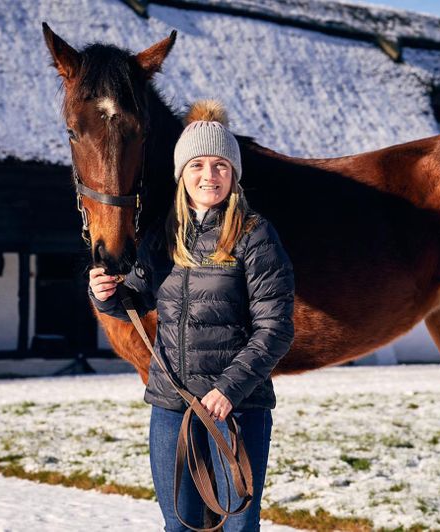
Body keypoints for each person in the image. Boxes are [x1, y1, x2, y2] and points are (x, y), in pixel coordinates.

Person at [87, 99, 295, 531]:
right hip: (171, 405)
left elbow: (275, 329)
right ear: (182, 173)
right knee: (179, 525)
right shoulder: (166, 235)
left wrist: (228, 390)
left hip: (235, 410)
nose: (208, 175)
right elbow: (136, 298)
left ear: (233, 175)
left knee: (238, 524)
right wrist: (106, 295)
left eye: (220, 165)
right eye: (197, 164)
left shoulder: (255, 236)